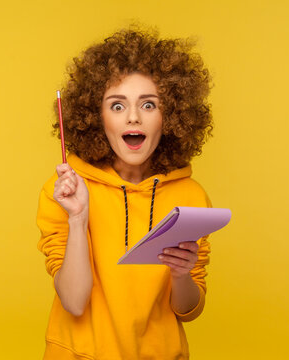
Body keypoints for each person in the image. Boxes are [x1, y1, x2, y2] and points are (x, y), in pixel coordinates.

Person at [36, 26, 214, 359]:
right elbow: (74, 303)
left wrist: (182, 273)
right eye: (117, 106)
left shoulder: (191, 197)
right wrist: (78, 217)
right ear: (96, 118)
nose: (133, 116)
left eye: (149, 105)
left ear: (170, 117)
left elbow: (189, 309)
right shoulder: (65, 191)